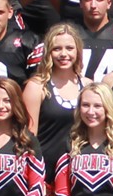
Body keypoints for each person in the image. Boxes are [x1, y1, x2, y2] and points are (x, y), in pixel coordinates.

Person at [24, 23, 87, 167]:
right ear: (48, 52)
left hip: (80, 170)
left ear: (78, 50)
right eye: (57, 48)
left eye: (69, 48)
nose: (63, 54)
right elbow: (28, 137)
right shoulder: (36, 87)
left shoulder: (88, 85)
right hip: (46, 169)